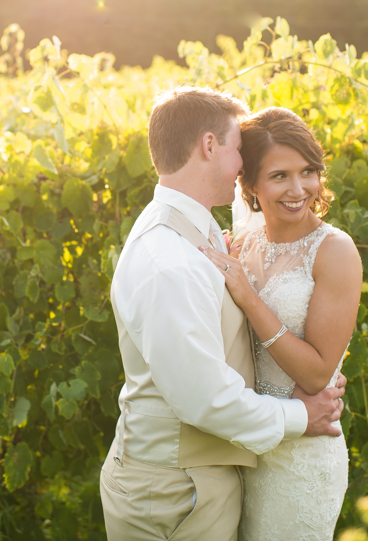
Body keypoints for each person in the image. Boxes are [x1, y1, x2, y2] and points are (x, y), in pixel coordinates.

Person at [100, 88, 347, 541]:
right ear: (209, 146)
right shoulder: (170, 260)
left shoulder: (201, 231)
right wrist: (300, 416)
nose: (241, 165)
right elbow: (205, 399)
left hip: (207, 476)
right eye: (237, 148)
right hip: (175, 490)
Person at [200, 106, 362, 541]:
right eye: (279, 176)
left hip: (303, 459)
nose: (298, 189)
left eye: (308, 171)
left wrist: (249, 299)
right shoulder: (244, 241)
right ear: (249, 183)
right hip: (248, 444)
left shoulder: (335, 251)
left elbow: (316, 374)